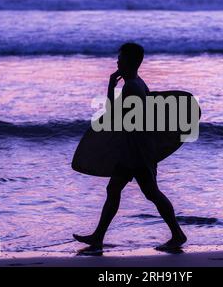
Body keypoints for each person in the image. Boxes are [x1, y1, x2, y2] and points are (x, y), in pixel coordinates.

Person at [73, 43, 187, 250]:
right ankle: (98, 236)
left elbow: (114, 118)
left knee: (151, 193)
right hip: (136, 149)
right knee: (116, 189)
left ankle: (178, 234)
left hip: (136, 153)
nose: (117, 61)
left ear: (130, 61)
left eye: (121, 58)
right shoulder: (138, 83)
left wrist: (110, 87)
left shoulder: (131, 87)